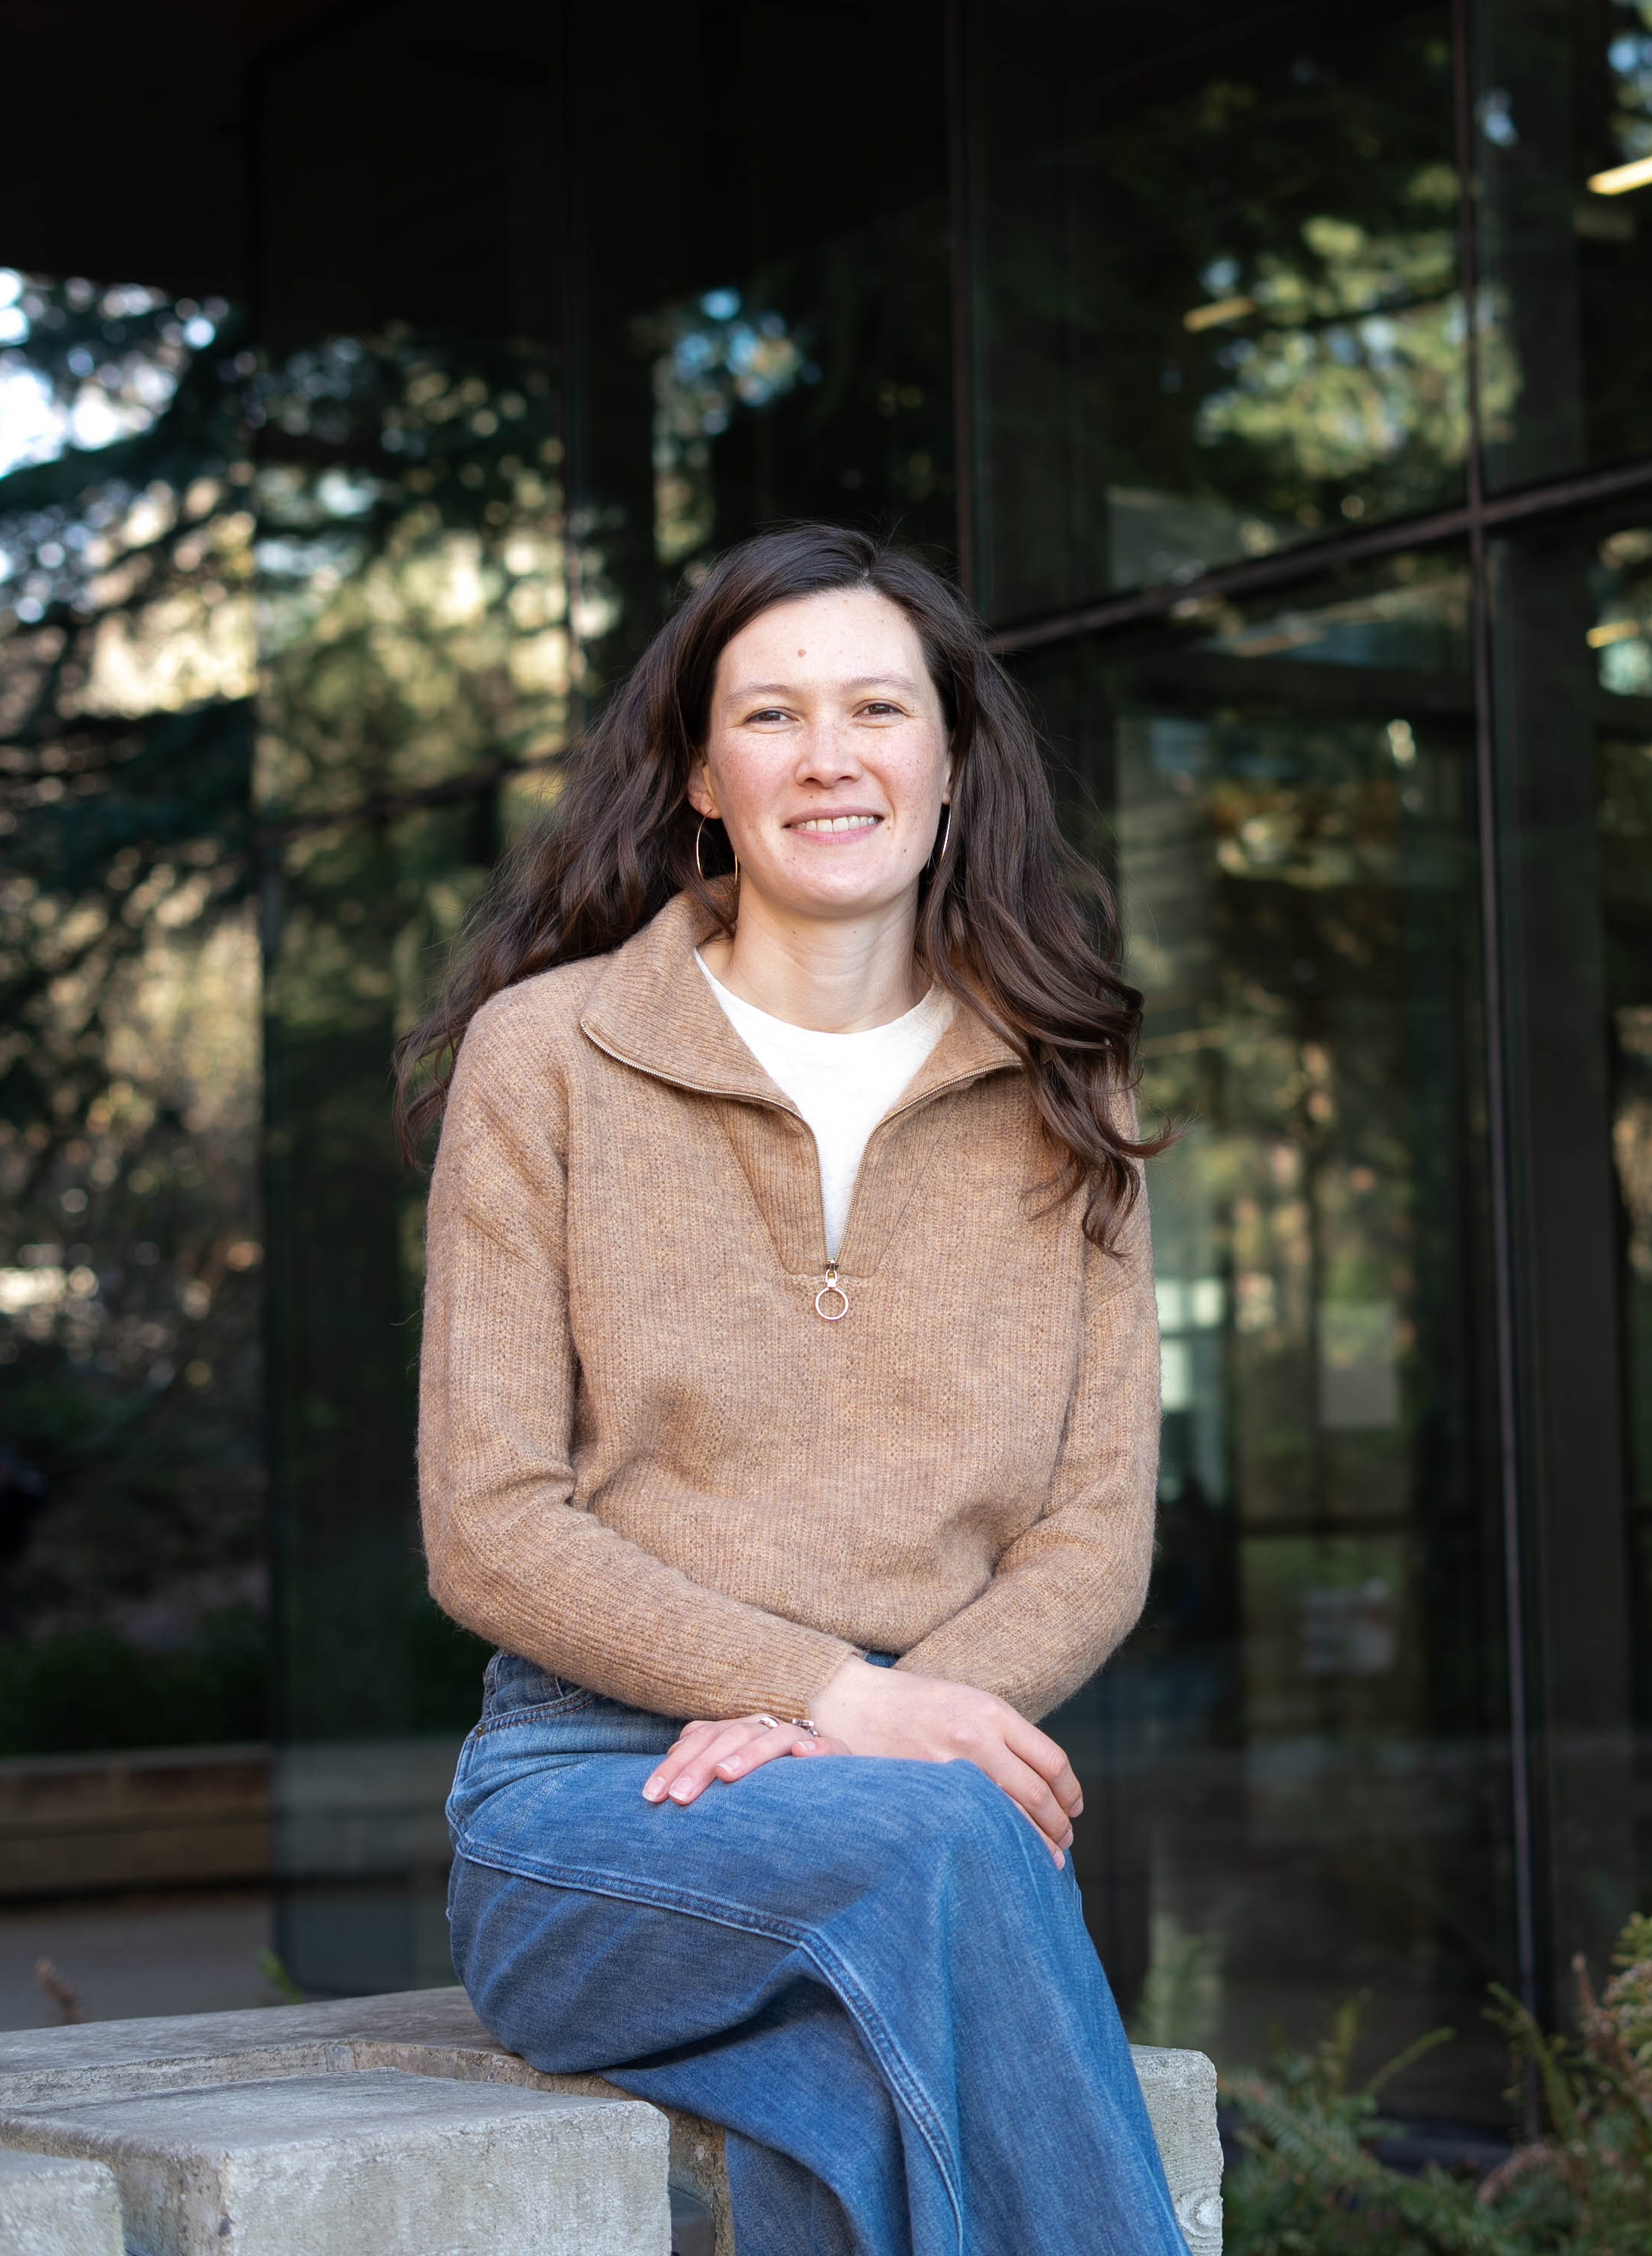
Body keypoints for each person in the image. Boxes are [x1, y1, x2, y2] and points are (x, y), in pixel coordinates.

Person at [395, 524, 1184, 2256]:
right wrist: (827, 1692)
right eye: (773, 715)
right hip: (595, 1812)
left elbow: (1095, 1527)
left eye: (878, 709)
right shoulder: (550, 1059)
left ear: (954, 761)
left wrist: (885, 1722)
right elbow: (491, 1527)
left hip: (918, 1786)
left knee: (857, 2112)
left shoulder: (1068, 1086)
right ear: (701, 771)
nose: (830, 758)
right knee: (943, 1847)